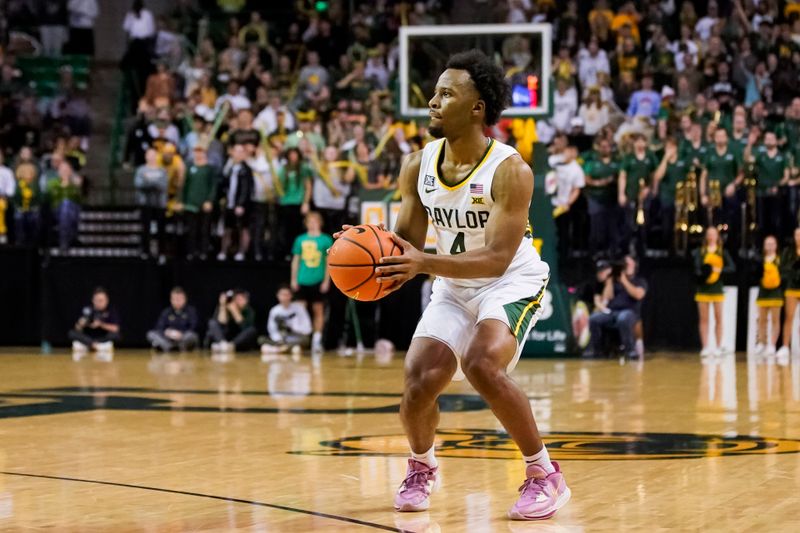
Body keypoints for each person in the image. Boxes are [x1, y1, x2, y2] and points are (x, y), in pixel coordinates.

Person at [342, 50, 569, 520]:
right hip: (450, 281)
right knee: (418, 382)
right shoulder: (417, 165)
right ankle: (422, 465)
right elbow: (407, 244)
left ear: (476, 108)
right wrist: (366, 252)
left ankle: (544, 474)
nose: (432, 101)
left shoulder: (511, 170)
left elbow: (496, 258)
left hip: (510, 280)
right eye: (434, 91)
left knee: (483, 365)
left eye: (446, 93)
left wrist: (423, 262)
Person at [584, 255, 648, 359]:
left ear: (634, 266)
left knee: (623, 318)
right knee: (594, 318)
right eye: (625, 264)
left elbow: (638, 295)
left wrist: (624, 281)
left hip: (630, 313)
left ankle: (630, 351)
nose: (627, 266)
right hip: (612, 312)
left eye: (629, 264)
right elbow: (606, 299)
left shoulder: (639, 281)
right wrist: (609, 282)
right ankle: (596, 350)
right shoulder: (614, 281)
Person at [292, 211, 333, 354]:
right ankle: (301, 339)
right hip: (303, 279)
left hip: (318, 279)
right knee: (300, 310)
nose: (312, 223)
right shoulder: (300, 239)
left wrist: (327, 281)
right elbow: (296, 260)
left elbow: (329, 261)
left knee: (318, 310)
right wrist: (293, 279)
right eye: (310, 221)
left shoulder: (326, 240)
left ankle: (316, 340)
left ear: (320, 222)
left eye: (315, 220)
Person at [693, 226, 735, 357]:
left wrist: (719, 270)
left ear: (718, 237)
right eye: (709, 234)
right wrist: (704, 273)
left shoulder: (722, 252)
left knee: (718, 318)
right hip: (703, 289)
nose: (711, 236)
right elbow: (696, 268)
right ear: (706, 237)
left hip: (717, 289)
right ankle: (705, 347)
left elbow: (732, 267)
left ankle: (718, 346)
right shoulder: (700, 251)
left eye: (714, 234)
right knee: (704, 319)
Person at [179, 144, 217, 260]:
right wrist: (182, 201)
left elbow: (213, 186)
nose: (198, 154)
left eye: (201, 152)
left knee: (204, 229)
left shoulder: (209, 169)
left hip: (204, 204)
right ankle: (191, 251)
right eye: (196, 151)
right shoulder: (189, 167)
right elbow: (185, 186)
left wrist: (209, 200)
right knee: (191, 229)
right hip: (191, 204)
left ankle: (203, 252)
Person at [218, 144, 254, 261]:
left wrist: (241, 204)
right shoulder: (229, 168)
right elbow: (223, 184)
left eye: (240, 152)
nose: (238, 154)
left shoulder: (246, 170)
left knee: (243, 228)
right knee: (227, 228)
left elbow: (247, 189)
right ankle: (223, 251)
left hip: (241, 205)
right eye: (236, 151)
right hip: (229, 203)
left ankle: (242, 252)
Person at [68, 287, 120, 360]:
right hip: (88, 337)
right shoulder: (87, 310)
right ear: (93, 300)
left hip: (102, 337)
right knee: (71, 333)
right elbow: (77, 328)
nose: (99, 303)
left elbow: (116, 329)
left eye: (101, 300)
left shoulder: (111, 311)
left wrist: (101, 325)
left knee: (116, 335)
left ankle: (91, 346)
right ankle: (95, 346)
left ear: (107, 300)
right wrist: (82, 323)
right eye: (97, 300)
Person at [261, 285, 312, 357]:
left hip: (296, 338)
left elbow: (308, 329)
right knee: (261, 340)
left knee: (304, 341)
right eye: (282, 294)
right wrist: (279, 340)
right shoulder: (274, 311)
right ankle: (285, 349)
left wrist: (294, 328)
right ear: (278, 296)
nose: (285, 297)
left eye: (287, 294)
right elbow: (272, 330)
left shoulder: (299, 308)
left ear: (291, 295)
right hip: (281, 340)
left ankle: (280, 350)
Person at [753, 236, 783, 356]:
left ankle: (772, 344)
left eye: (772, 244)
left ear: (776, 246)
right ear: (764, 246)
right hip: (763, 293)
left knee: (775, 320)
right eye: (767, 244)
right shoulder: (760, 260)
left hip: (776, 293)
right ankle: (761, 343)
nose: (770, 246)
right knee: (761, 320)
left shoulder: (780, 260)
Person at [147, 286, 199, 352]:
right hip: (168, 338)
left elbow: (193, 327)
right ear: (171, 300)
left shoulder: (191, 311)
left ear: (185, 299)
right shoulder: (166, 312)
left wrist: (181, 334)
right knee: (151, 334)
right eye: (175, 299)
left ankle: (177, 347)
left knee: (192, 336)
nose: (177, 302)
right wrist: (167, 332)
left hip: (183, 338)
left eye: (179, 299)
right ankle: (169, 347)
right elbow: (159, 327)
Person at [207, 289, 258, 354]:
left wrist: (235, 311)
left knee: (252, 330)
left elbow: (245, 328)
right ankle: (222, 344)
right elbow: (221, 324)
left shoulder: (249, 310)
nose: (237, 301)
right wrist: (223, 306)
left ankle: (230, 346)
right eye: (236, 299)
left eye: (240, 299)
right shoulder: (223, 307)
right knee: (212, 323)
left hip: (238, 339)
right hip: (224, 338)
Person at [779, 227, 800, 360]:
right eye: (797, 235)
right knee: (789, 317)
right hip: (792, 288)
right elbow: (782, 270)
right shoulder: (788, 252)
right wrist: (794, 267)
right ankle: (785, 346)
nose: (799, 237)